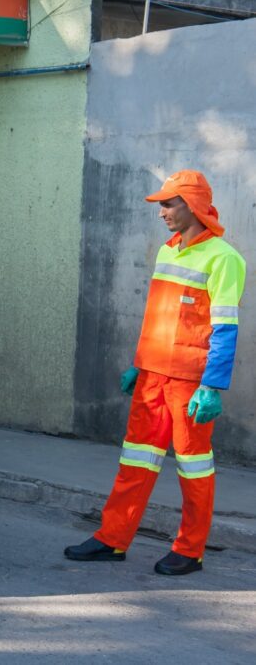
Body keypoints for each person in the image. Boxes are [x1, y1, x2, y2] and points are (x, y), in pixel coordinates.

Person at [65, 170, 245, 575]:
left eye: (168, 203)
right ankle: (112, 539)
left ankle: (189, 549)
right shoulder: (167, 252)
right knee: (135, 461)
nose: (161, 211)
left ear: (192, 205)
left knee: (193, 467)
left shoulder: (224, 258)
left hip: (189, 384)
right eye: (161, 204)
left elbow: (225, 328)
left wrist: (213, 386)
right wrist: (138, 363)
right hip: (152, 377)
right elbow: (157, 319)